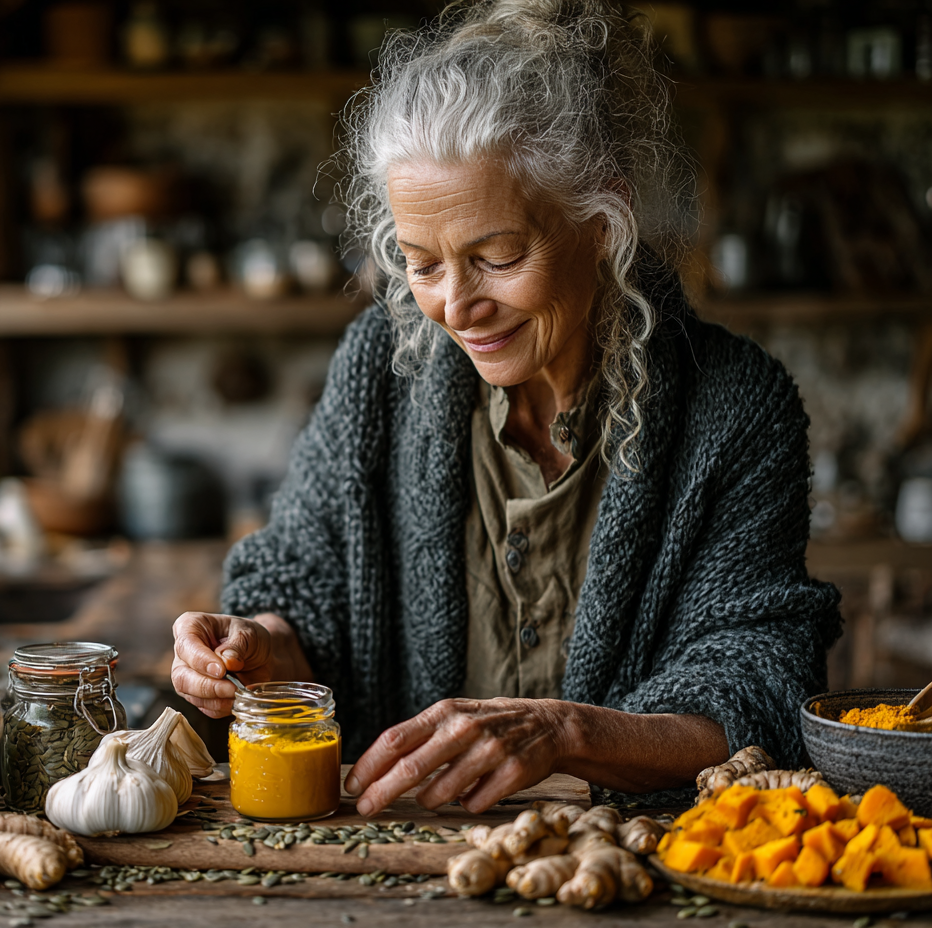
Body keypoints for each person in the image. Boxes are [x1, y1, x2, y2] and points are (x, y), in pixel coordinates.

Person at [171, 0, 841, 818]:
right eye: (421, 264)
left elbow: (763, 685)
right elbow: (307, 586)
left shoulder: (736, 408)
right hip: (395, 860)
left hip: (644, 866)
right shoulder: (379, 370)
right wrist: (254, 648)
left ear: (602, 220)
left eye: (496, 258)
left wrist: (563, 731)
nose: (455, 306)